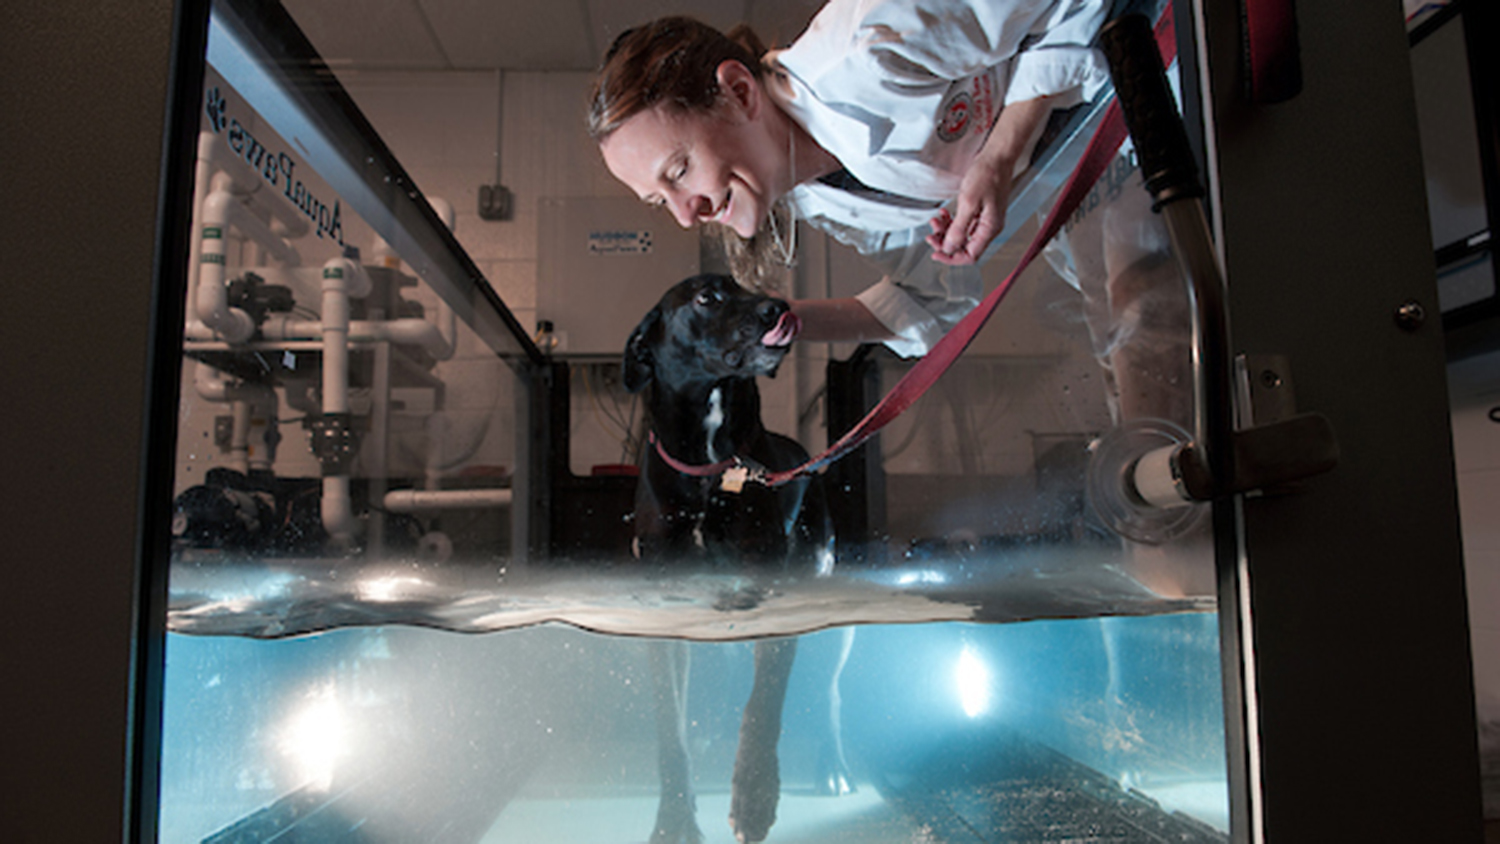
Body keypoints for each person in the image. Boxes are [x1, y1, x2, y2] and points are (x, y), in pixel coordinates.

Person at [588, 0, 1111, 358]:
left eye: (678, 173)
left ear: (739, 92)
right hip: (1100, 158)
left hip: (1155, 53)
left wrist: (1001, 151)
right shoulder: (820, 200)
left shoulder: (866, 48)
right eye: (661, 201)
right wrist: (784, 321)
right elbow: (938, 297)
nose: (686, 216)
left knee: (1135, 306)